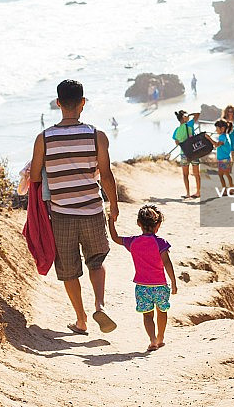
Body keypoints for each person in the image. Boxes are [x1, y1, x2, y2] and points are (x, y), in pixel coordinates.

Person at [31, 79, 119, 335]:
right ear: (83, 102)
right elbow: (106, 175)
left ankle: (81, 320)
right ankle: (100, 305)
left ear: (58, 103)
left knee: (69, 270)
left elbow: (35, 177)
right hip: (92, 210)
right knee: (96, 260)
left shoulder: (44, 138)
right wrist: (114, 205)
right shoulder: (96, 135)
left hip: (61, 215)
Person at [108, 204, 177, 351]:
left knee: (147, 316)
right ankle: (160, 337)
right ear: (158, 225)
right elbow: (167, 263)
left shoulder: (133, 241)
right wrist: (173, 282)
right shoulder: (161, 243)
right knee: (162, 311)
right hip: (160, 286)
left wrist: (111, 221)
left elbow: (115, 238)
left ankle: (152, 340)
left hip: (142, 287)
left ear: (138, 223)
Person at [172, 109, 201, 199]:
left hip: (184, 154)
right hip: (194, 152)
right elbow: (198, 114)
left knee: (185, 175)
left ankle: (188, 193)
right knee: (196, 174)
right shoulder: (189, 125)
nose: (187, 117)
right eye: (186, 115)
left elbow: (177, 142)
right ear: (183, 118)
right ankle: (198, 192)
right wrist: (190, 114)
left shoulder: (176, 130)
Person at [213, 119, 234, 189]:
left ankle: (227, 189)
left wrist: (209, 139)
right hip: (224, 158)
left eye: (217, 128)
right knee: (226, 174)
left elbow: (217, 145)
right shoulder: (225, 135)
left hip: (224, 159)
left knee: (222, 175)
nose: (216, 130)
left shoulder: (222, 137)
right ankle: (230, 188)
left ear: (222, 128)